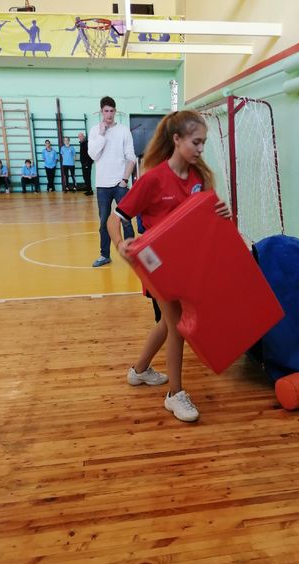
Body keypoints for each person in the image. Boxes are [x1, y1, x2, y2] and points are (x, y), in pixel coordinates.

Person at [107, 110, 232, 423]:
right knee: (177, 326)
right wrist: (120, 244)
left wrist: (221, 214)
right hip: (158, 266)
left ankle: (139, 371)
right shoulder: (152, 179)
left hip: (188, 264)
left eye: (203, 142)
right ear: (177, 139)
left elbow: (205, 221)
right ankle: (174, 394)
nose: (201, 148)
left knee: (167, 323)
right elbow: (115, 218)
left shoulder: (199, 178)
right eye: (196, 142)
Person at [88, 96, 136, 268]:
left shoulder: (123, 130)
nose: (109, 114)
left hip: (120, 184)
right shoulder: (95, 130)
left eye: (111, 110)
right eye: (106, 111)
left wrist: (124, 179)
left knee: (126, 220)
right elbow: (93, 155)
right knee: (104, 222)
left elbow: (131, 157)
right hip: (102, 185)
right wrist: (102, 135)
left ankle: (132, 254)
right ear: (101, 112)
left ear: (115, 111)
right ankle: (104, 255)